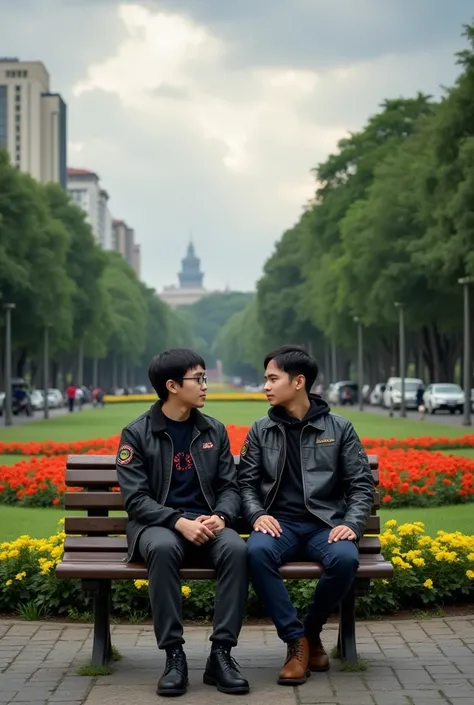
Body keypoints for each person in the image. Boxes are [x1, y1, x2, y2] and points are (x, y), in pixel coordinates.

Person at [116, 349, 249, 697]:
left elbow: (230, 487)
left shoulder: (213, 431)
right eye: (198, 379)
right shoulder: (136, 433)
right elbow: (136, 500)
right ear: (172, 386)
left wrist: (221, 516)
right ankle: (174, 656)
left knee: (236, 549)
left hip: (207, 523)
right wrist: (177, 521)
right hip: (158, 526)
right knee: (161, 548)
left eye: (205, 378)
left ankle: (221, 655)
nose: (206, 386)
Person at [239, 344, 374, 686]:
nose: (265, 386)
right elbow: (246, 484)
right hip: (278, 525)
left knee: (345, 559)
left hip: (324, 525)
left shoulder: (339, 428)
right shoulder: (261, 429)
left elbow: (361, 485)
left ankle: (309, 632)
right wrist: (256, 515)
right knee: (255, 552)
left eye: (272, 378)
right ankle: (295, 642)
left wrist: (351, 523)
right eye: (265, 379)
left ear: (298, 382)